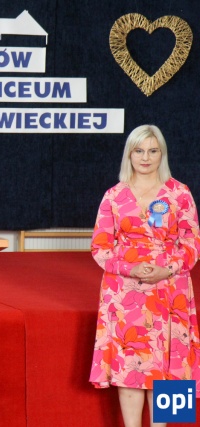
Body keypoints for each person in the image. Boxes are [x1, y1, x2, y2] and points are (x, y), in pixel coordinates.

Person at [89, 124, 200, 427]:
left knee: (173, 364)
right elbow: (99, 247)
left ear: (162, 154)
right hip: (125, 291)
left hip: (171, 290)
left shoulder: (180, 193)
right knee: (130, 367)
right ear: (129, 154)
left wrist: (168, 269)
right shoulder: (113, 196)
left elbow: (192, 244)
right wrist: (130, 268)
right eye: (139, 151)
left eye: (153, 151)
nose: (146, 157)